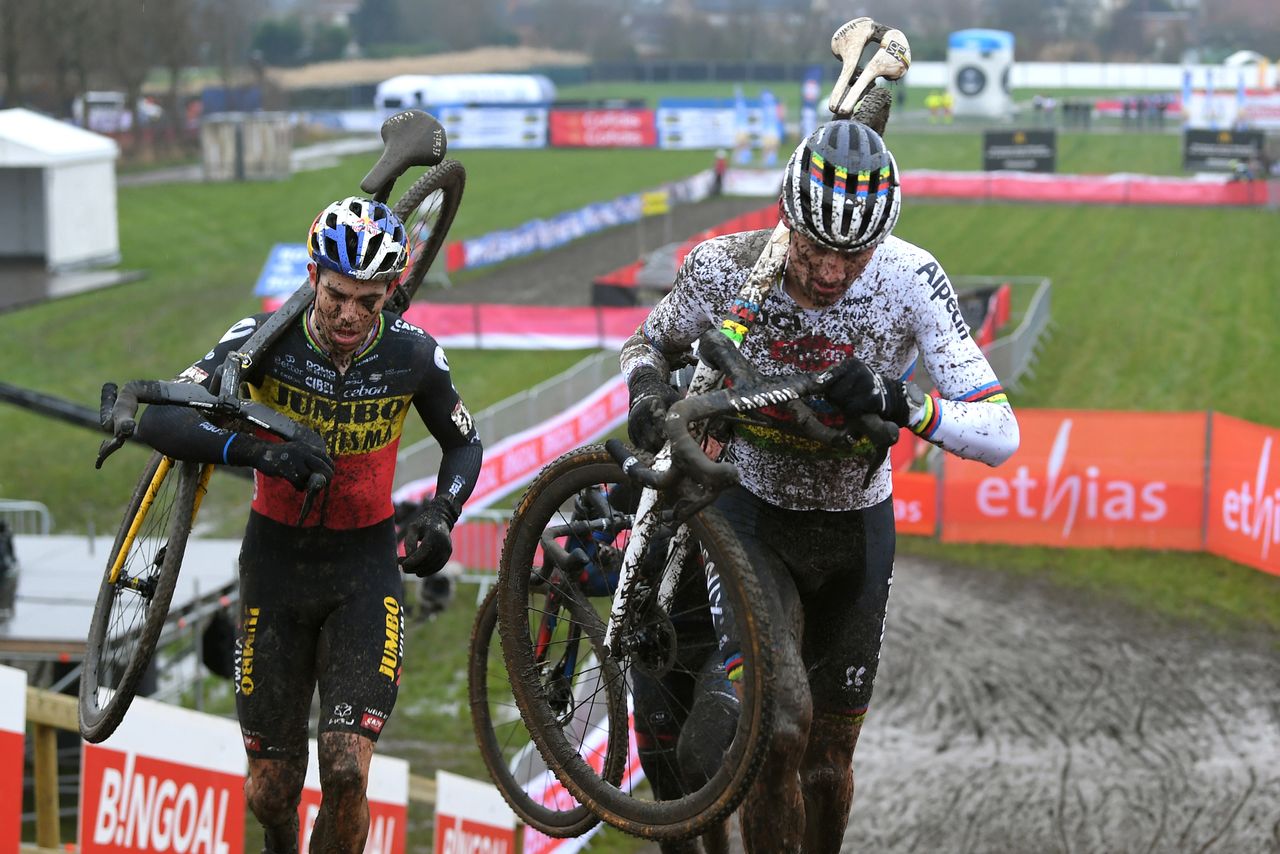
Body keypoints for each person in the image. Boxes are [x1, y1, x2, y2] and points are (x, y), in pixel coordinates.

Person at [619, 119, 1019, 853]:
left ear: (883, 241)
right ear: (786, 217)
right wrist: (646, 393)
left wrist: (899, 401)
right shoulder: (725, 268)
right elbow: (648, 341)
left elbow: (999, 432)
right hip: (751, 514)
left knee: (828, 769)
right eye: (814, 249)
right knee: (779, 729)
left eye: (853, 255)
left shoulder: (909, 278)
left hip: (855, 530)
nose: (832, 273)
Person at [136, 196, 484, 853]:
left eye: (368, 301)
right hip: (274, 569)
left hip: (365, 572)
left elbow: (464, 444)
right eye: (336, 296)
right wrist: (262, 451)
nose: (350, 315)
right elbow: (161, 417)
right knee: (270, 789)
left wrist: (442, 514)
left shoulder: (414, 356)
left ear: (392, 291)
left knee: (348, 769)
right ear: (312, 278)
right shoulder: (262, 341)